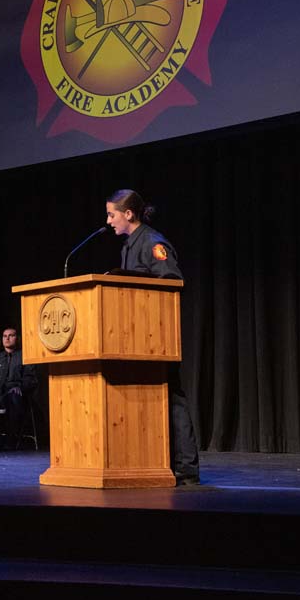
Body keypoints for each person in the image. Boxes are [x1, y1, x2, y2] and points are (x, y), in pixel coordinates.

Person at [106, 187, 200, 485]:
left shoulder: (152, 242)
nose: (108, 221)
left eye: (112, 215)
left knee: (172, 398)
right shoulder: (128, 246)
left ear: (128, 214)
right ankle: (156, 464)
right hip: (134, 336)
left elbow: (172, 280)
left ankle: (187, 470)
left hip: (156, 335)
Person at [0, 328, 36, 450]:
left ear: (17, 338)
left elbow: (31, 379)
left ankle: (11, 439)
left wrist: (20, 387)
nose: (7, 338)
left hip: (14, 393)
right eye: (4, 336)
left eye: (11, 335)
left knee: (13, 398)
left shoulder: (25, 356)